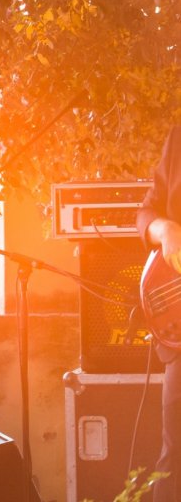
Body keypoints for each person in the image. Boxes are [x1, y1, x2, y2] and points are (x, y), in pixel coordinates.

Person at [138, 125, 181, 501]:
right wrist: (164, 227)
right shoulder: (178, 138)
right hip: (180, 344)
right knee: (174, 462)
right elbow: (145, 213)